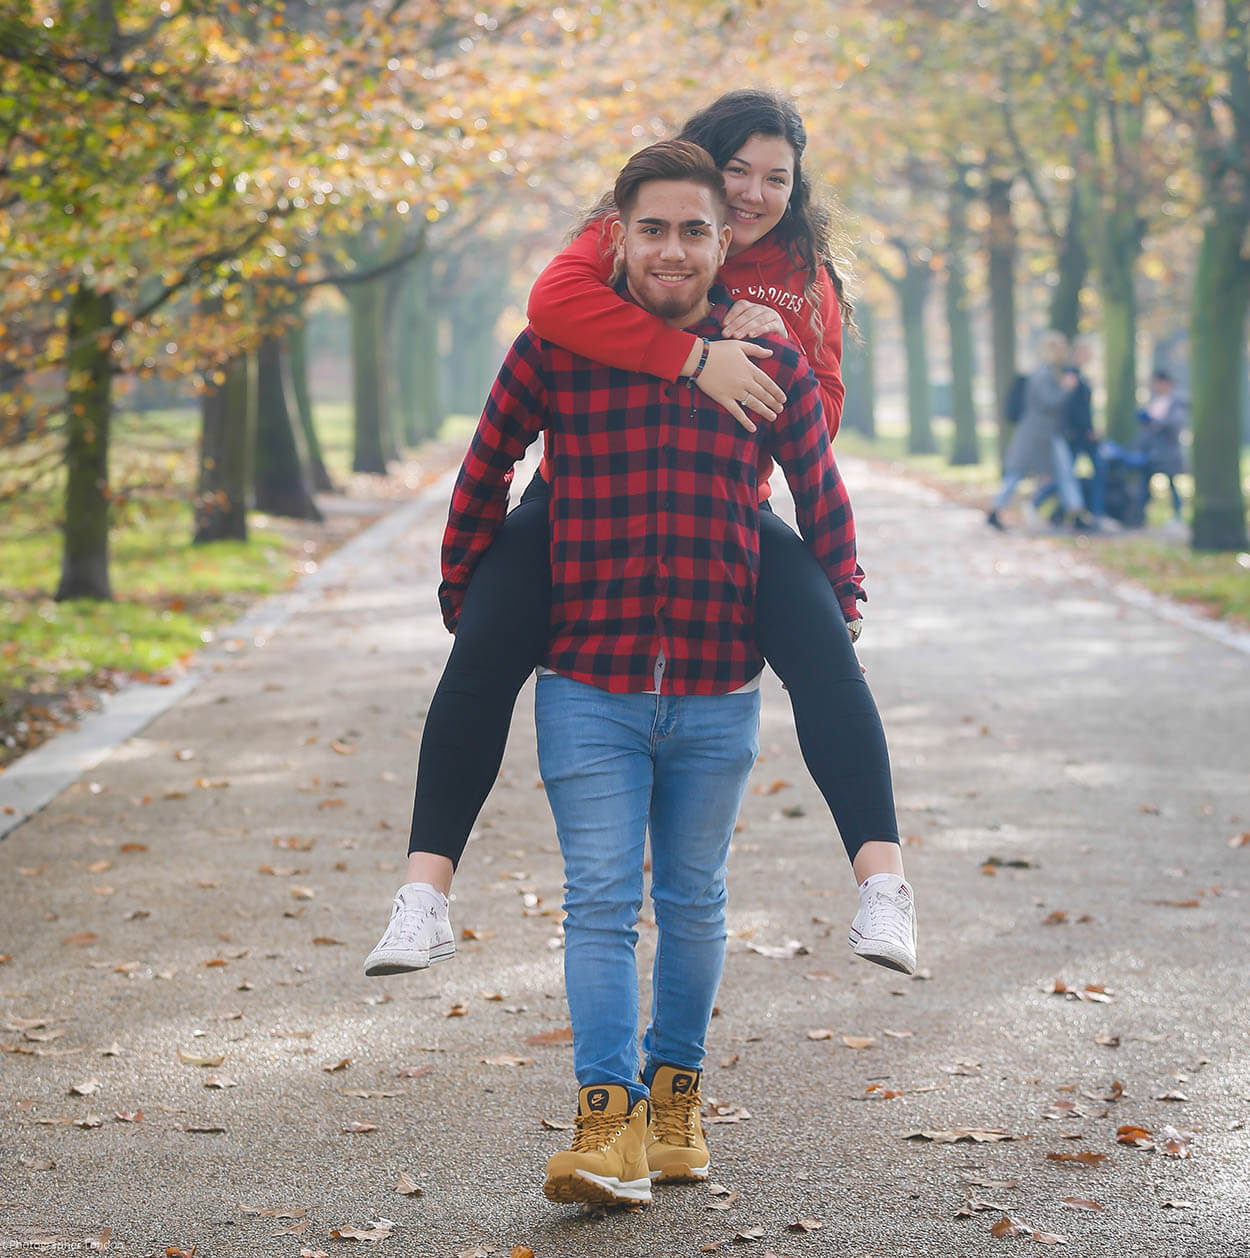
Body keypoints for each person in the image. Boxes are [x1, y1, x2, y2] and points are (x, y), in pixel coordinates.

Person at [364, 89, 916, 984]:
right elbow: (554, 309)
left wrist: (776, 358)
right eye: (737, 169)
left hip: (725, 496)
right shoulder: (647, 220)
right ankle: (423, 899)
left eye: (777, 177)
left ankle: (885, 886)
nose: (753, 192)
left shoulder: (804, 276)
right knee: (483, 648)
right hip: (585, 483)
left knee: (824, 641)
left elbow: (819, 425)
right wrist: (696, 358)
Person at [440, 140, 864, 1205]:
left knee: (691, 900)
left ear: (727, 246)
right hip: (589, 680)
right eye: (653, 228)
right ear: (615, 235)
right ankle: (605, 1122)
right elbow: (483, 467)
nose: (672, 247)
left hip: (718, 685)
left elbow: (818, 489)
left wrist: (833, 612)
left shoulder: (761, 353)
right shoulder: (561, 340)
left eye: (694, 231)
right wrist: (472, 604)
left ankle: (675, 1107)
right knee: (596, 904)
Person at [987, 331, 1095, 532]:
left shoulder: (1051, 373)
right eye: (1061, 348)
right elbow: (1048, 402)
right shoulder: (1043, 375)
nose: (1064, 352)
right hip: (1035, 434)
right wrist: (1066, 390)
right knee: (1017, 472)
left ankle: (1076, 512)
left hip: (1050, 434)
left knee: (1064, 473)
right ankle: (996, 509)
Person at [1031, 337, 1108, 523]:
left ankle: (1082, 513)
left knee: (1076, 474)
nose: (1088, 355)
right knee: (1067, 475)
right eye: (1084, 352)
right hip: (1076, 434)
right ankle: (1039, 502)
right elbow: (1071, 407)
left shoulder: (1078, 374)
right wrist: (1087, 429)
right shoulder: (1071, 375)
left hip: (1082, 433)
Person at [1133, 368, 1187, 522]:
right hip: (1151, 451)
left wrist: (1155, 421)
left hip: (1168, 451)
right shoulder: (1153, 401)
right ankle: (1139, 517)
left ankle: (1177, 516)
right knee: (1144, 484)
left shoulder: (1177, 402)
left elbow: (1175, 423)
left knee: (1172, 484)